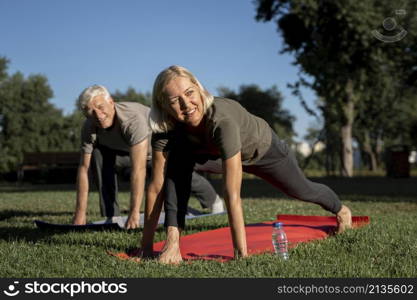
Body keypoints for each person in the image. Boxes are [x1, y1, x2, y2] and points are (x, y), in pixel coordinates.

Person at [143, 65, 352, 264]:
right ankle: (172, 243)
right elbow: (157, 186)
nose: (186, 105)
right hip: (213, 154)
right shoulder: (165, 130)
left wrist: (240, 254)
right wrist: (145, 250)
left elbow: (232, 194)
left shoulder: (221, 121)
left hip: (263, 150)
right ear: (164, 105)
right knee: (176, 165)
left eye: (189, 93)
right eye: (174, 100)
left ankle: (341, 210)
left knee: (302, 190)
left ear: (199, 89)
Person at [72, 85, 224, 229]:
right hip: (125, 151)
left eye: (100, 107)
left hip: (159, 150)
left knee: (177, 173)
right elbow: (84, 169)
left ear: (111, 102)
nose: (98, 115)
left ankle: (213, 200)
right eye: (90, 111)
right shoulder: (89, 127)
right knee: (98, 156)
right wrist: (80, 214)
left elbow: (138, 169)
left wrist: (134, 214)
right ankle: (111, 216)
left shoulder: (132, 119)